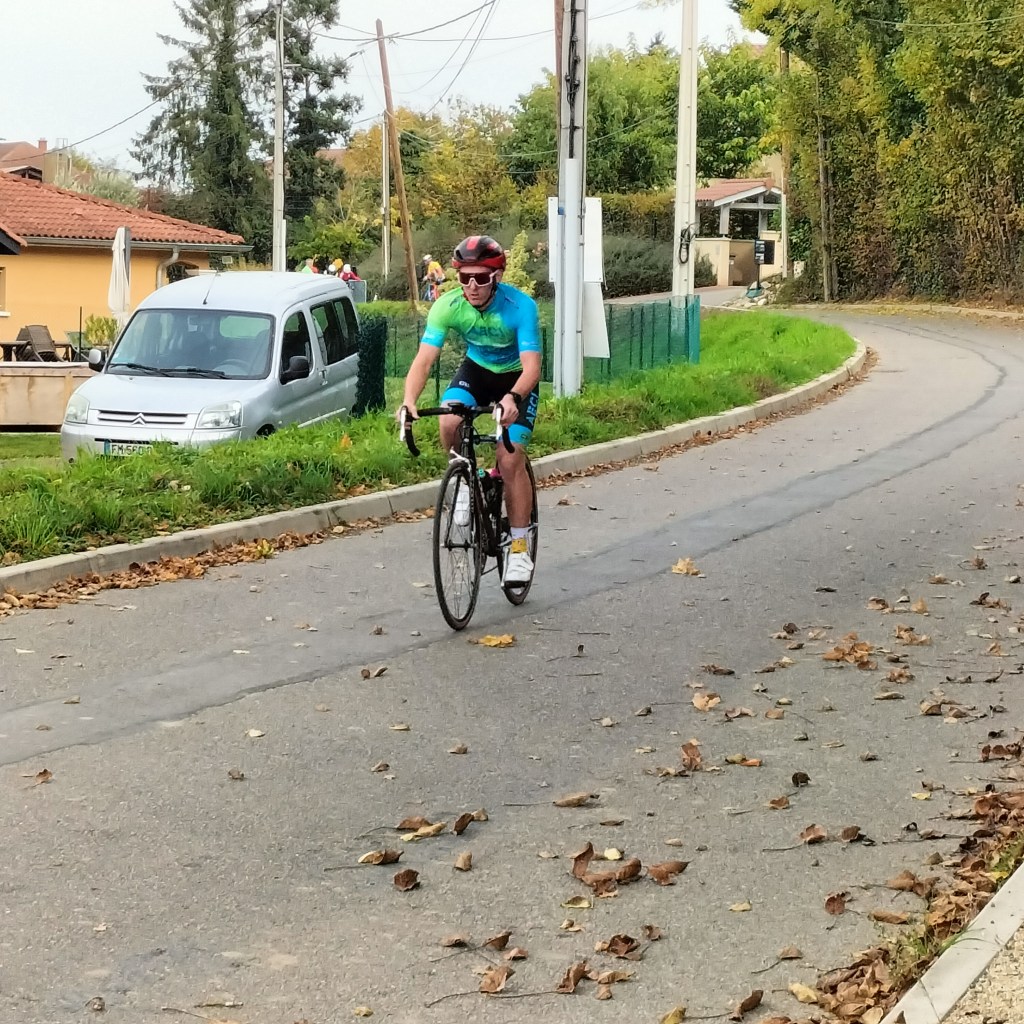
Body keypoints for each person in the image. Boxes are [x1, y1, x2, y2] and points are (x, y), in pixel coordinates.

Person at [399, 235, 541, 585]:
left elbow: (532, 368)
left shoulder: (520, 307)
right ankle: (464, 480)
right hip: (476, 371)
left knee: (509, 460)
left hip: (516, 379)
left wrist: (513, 399)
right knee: (449, 418)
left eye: (481, 278)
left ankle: (519, 549)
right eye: (464, 278)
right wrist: (408, 400)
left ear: (497, 277)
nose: (472, 286)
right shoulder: (447, 306)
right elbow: (425, 360)